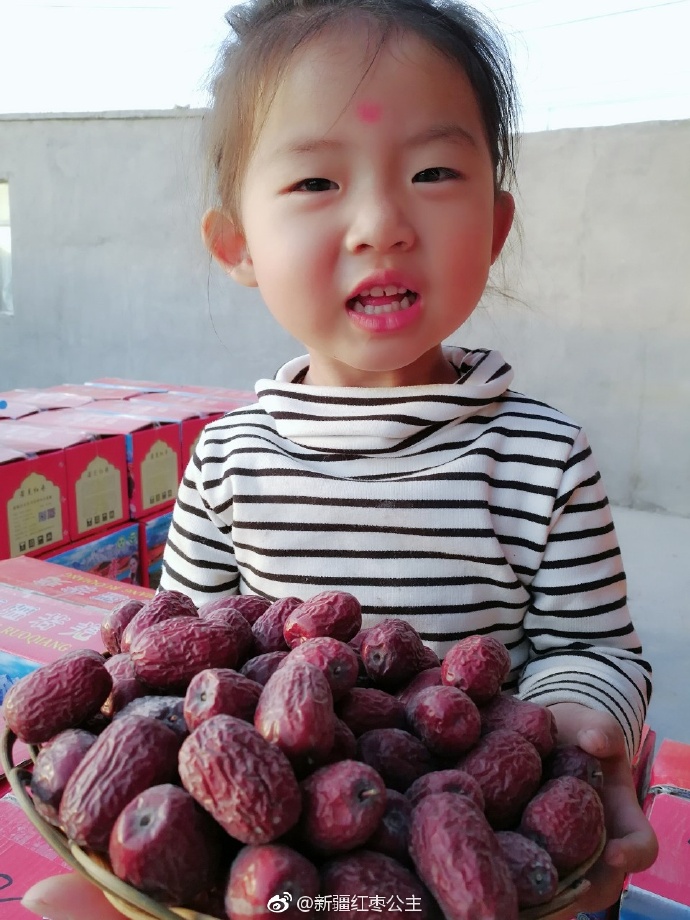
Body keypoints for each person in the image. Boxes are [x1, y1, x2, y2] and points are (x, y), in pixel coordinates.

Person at [22, 0, 657, 917]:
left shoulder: (542, 459)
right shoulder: (230, 460)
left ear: (497, 220)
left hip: (467, 859)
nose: (381, 223)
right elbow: (186, 681)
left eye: (434, 171)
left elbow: (595, 648)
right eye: (318, 182)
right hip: (279, 877)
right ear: (236, 245)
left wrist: (583, 727)